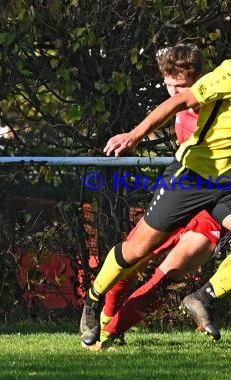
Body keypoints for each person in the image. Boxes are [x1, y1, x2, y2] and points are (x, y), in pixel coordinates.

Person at [80, 19, 231, 346]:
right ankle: (94, 298)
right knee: (138, 250)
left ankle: (202, 298)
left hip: (228, 185)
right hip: (191, 178)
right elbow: (179, 102)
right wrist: (135, 134)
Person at [85, 43, 222, 349]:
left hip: (211, 203)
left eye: (183, 87)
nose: (176, 94)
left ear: (201, 80)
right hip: (180, 189)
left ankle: (111, 333)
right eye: (170, 86)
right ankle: (103, 318)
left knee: (168, 276)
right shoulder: (175, 105)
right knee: (134, 256)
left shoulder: (220, 101)